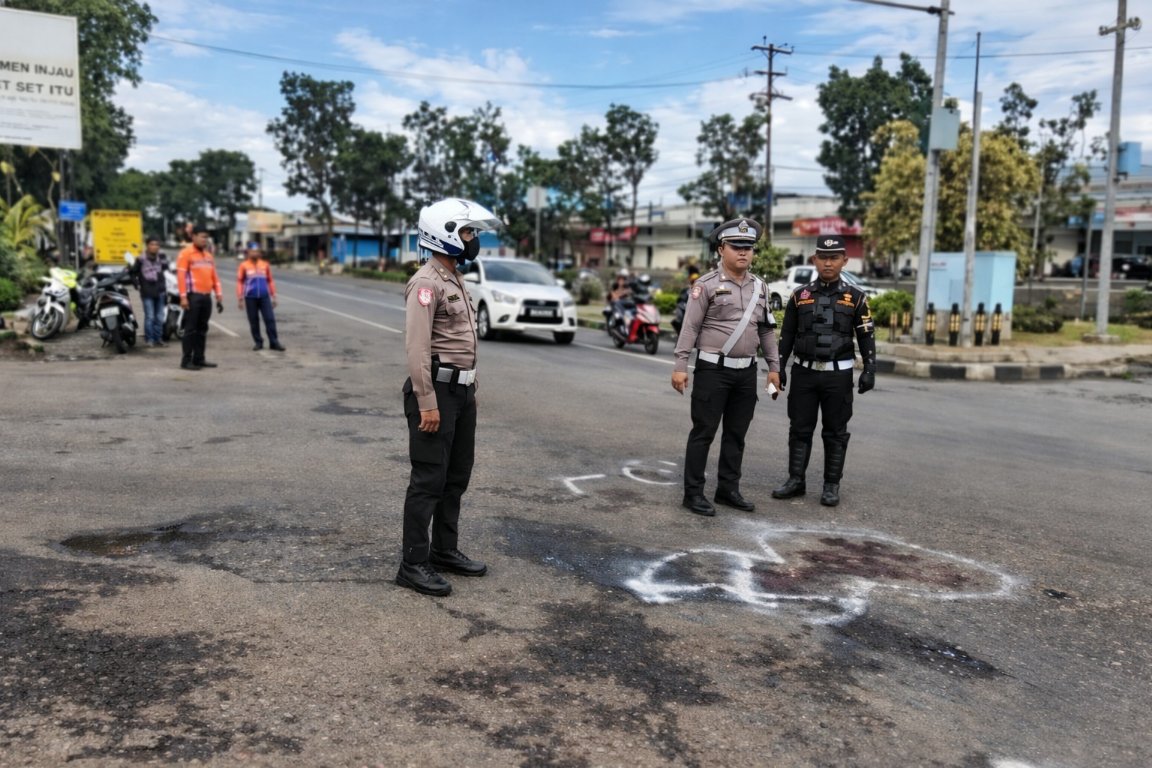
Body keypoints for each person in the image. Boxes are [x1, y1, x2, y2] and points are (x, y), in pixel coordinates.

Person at [396, 197, 502, 597]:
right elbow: (417, 349)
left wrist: (469, 388)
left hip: (460, 391)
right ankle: (413, 563)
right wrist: (427, 402)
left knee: (455, 477)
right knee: (428, 480)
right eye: (469, 232)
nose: (474, 239)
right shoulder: (426, 283)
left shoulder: (455, 277)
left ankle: (443, 550)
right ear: (447, 233)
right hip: (436, 391)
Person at [672, 218, 781, 517]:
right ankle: (693, 493)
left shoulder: (761, 287)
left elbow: (767, 331)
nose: (743, 253)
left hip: (746, 371)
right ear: (722, 249)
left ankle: (728, 489)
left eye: (748, 247)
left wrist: (774, 367)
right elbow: (690, 328)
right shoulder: (705, 285)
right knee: (704, 432)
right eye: (736, 247)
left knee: (736, 434)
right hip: (712, 370)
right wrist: (681, 364)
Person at [771, 235, 876, 507]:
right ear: (814, 260)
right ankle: (796, 480)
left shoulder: (856, 298)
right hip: (804, 374)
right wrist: (779, 366)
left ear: (844, 260)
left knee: (835, 431)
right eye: (823, 257)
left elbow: (866, 335)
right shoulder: (799, 295)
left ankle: (831, 485)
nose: (828, 263)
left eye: (834, 258)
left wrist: (869, 368)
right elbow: (788, 334)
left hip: (837, 376)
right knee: (800, 428)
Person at [175, 225, 224, 371]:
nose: (205, 240)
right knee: (190, 329)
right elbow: (181, 276)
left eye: (206, 237)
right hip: (193, 297)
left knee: (202, 329)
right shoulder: (186, 254)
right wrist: (183, 297)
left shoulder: (208, 256)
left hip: (206, 297)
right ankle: (186, 361)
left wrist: (219, 296)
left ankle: (199, 359)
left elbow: (214, 277)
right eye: (202, 237)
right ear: (193, 237)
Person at [236, 242, 285, 352]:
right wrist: (240, 298)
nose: (255, 253)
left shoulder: (265, 265)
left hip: (264, 296)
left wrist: (274, 296)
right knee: (254, 321)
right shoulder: (244, 265)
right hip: (250, 297)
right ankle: (258, 342)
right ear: (248, 252)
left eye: (257, 251)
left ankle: (274, 342)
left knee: (270, 319)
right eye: (253, 251)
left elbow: (270, 280)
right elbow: (240, 282)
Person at [130, 236, 168, 347]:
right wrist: (137, 285)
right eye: (152, 244)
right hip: (147, 292)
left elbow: (167, 271)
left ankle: (158, 338)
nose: (155, 247)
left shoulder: (161, 258)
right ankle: (150, 339)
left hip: (160, 291)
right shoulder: (140, 259)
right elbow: (132, 273)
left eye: (157, 244)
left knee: (160, 317)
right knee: (150, 316)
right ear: (147, 246)